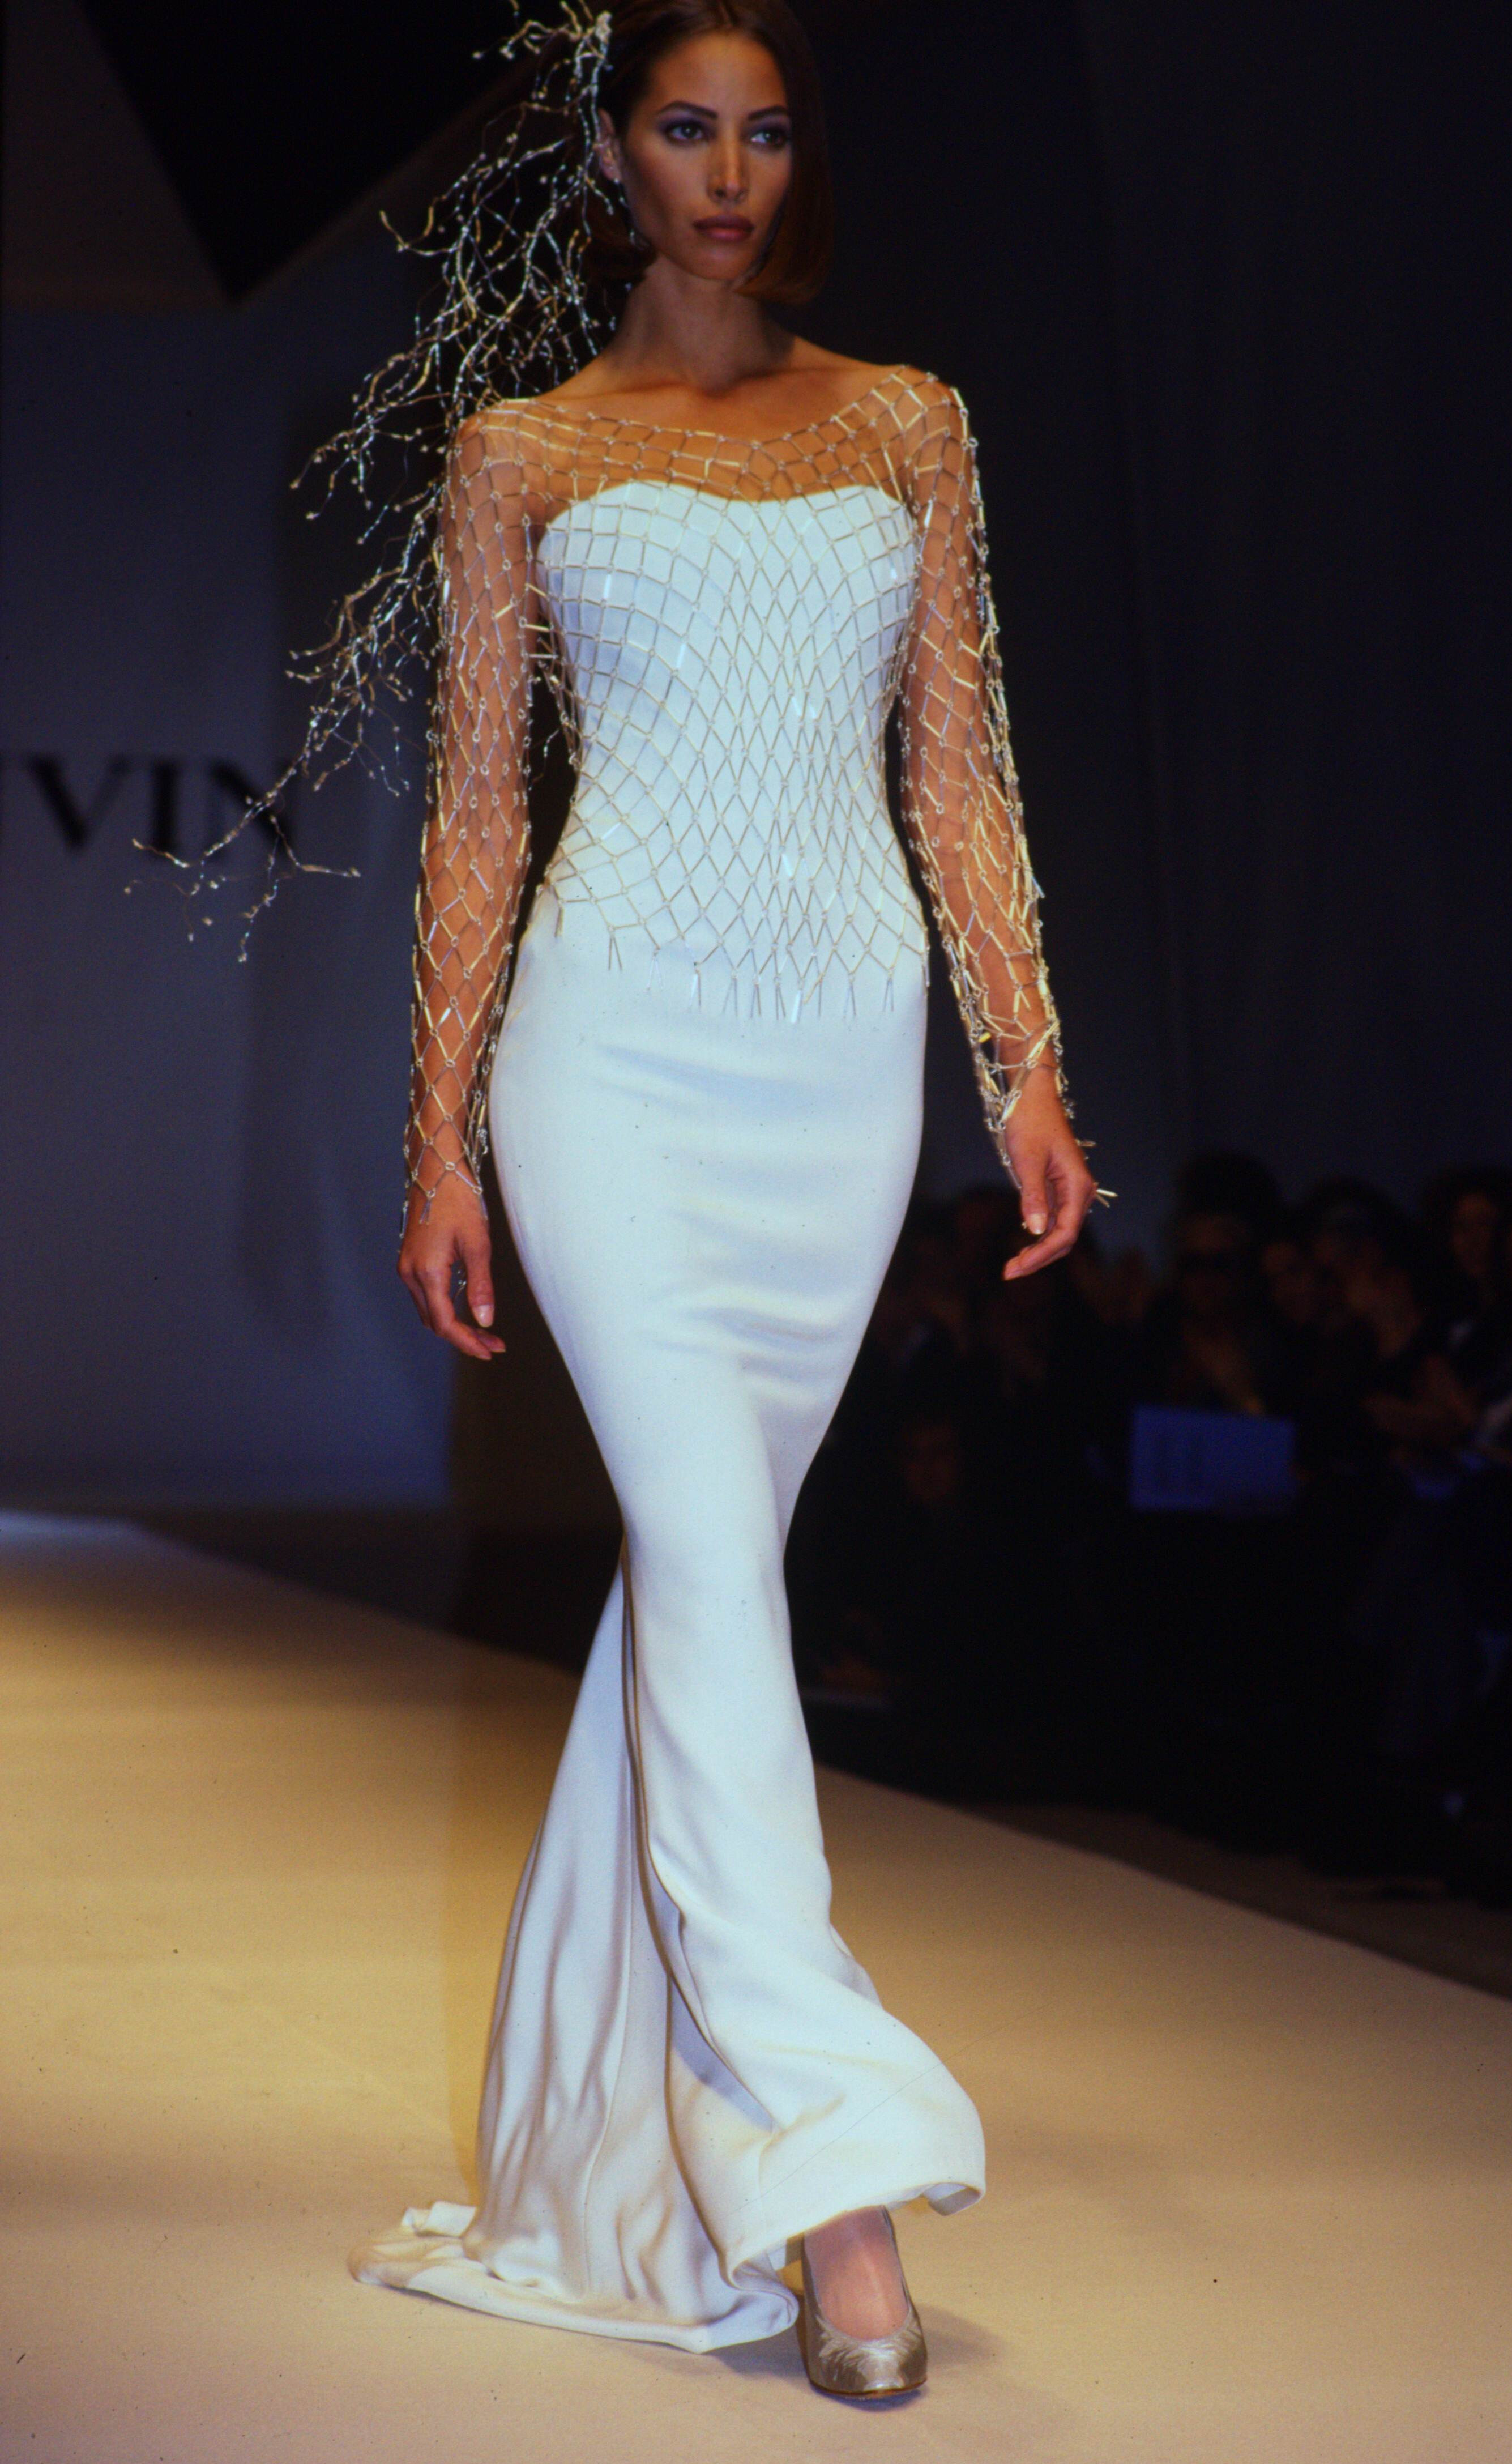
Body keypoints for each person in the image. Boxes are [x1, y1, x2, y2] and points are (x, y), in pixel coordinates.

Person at [351, 0, 1103, 2403]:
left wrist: (1028, 1067)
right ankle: (831, 2170)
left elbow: (955, 773)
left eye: (766, 133)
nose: (730, 172)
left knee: (708, 1589)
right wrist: (440, 1136)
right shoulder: (522, 448)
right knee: (703, 1559)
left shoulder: (907, 422)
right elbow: (483, 811)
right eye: (687, 128)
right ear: (612, 153)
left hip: (831, 1064)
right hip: (610, 1056)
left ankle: (599, 2146)